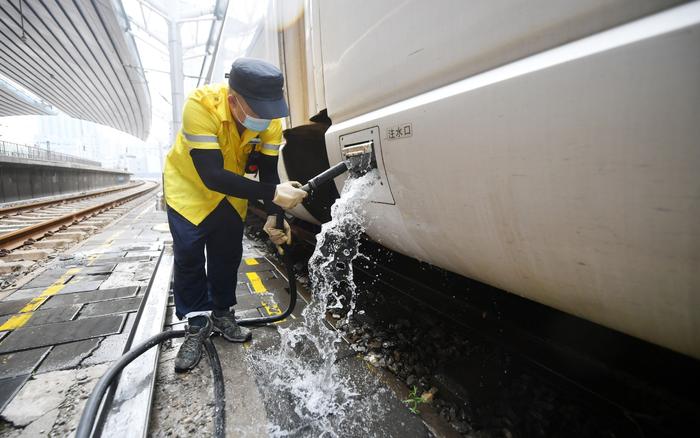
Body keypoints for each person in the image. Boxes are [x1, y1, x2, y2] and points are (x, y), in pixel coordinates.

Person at [163, 57, 308, 372]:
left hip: (231, 195)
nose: (265, 119)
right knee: (188, 255)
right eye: (256, 111)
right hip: (189, 190)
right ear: (233, 101)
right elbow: (211, 175)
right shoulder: (200, 107)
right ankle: (196, 323)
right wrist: (273, 195)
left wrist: (277, 218)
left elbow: (268, 173)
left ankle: (223, 314)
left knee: (227, 255)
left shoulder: (269, 118)